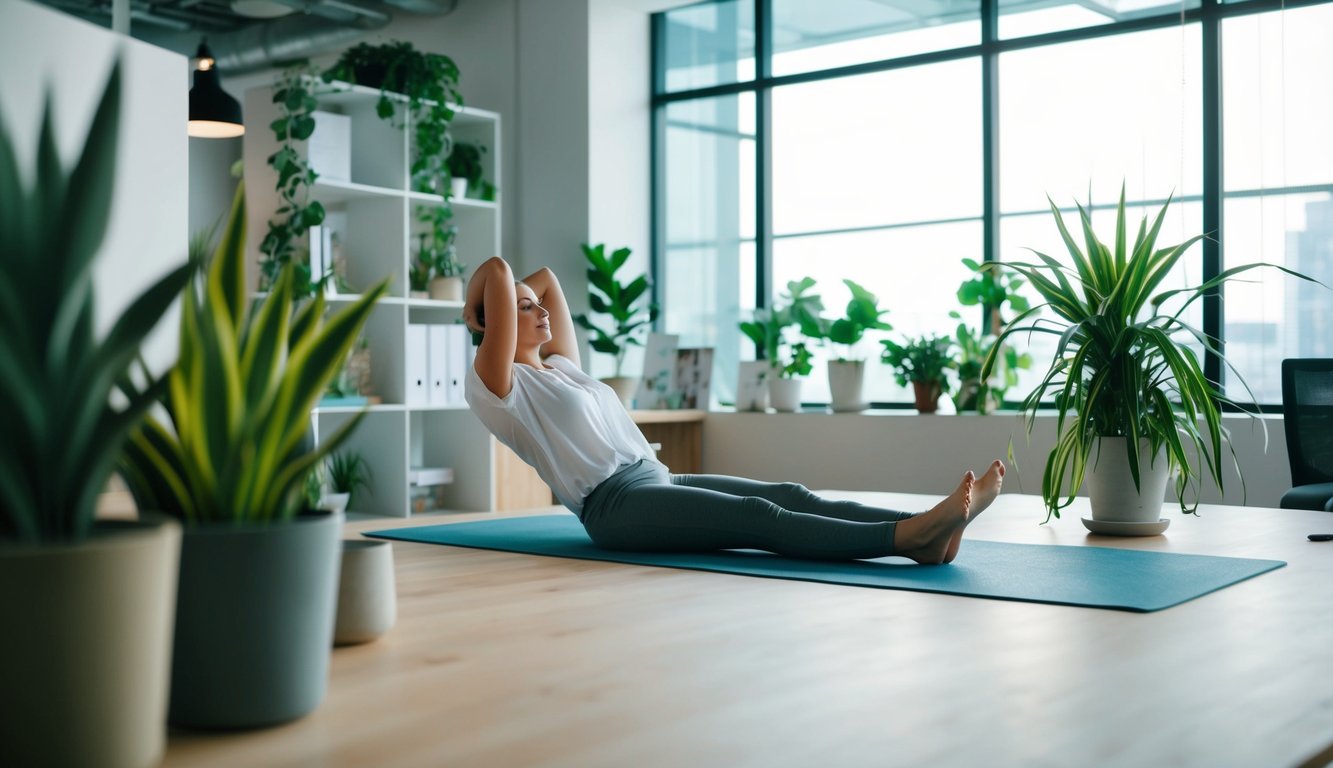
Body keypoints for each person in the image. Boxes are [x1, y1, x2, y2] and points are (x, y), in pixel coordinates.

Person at [463, 256, 1005, 564]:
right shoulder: (500, 387)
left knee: (789, 495)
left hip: (658, 479)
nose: (539, 307)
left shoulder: (561, 368)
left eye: (533, 304)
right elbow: (498, 270)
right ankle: (906, 541)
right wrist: (480, 301)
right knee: (758, 519)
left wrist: (512, 296)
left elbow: (548, 278)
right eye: (522, 306)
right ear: (497, 323)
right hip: (615, 507)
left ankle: (928, 530)